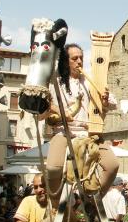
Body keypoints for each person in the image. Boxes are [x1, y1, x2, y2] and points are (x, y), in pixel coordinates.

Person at [40, 43, 119, 206]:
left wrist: (105, 99)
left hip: (89, 134)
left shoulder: (90, 81)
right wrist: (58, 111)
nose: (79, 61)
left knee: (112, 165)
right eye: (74, 58)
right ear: (65, 61)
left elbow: (113, 104)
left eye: (81, 58)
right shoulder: (55, 82)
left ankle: (91, 201)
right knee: (53, 168)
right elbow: (42, 112)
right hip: (64, 133)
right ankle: (55, 205)